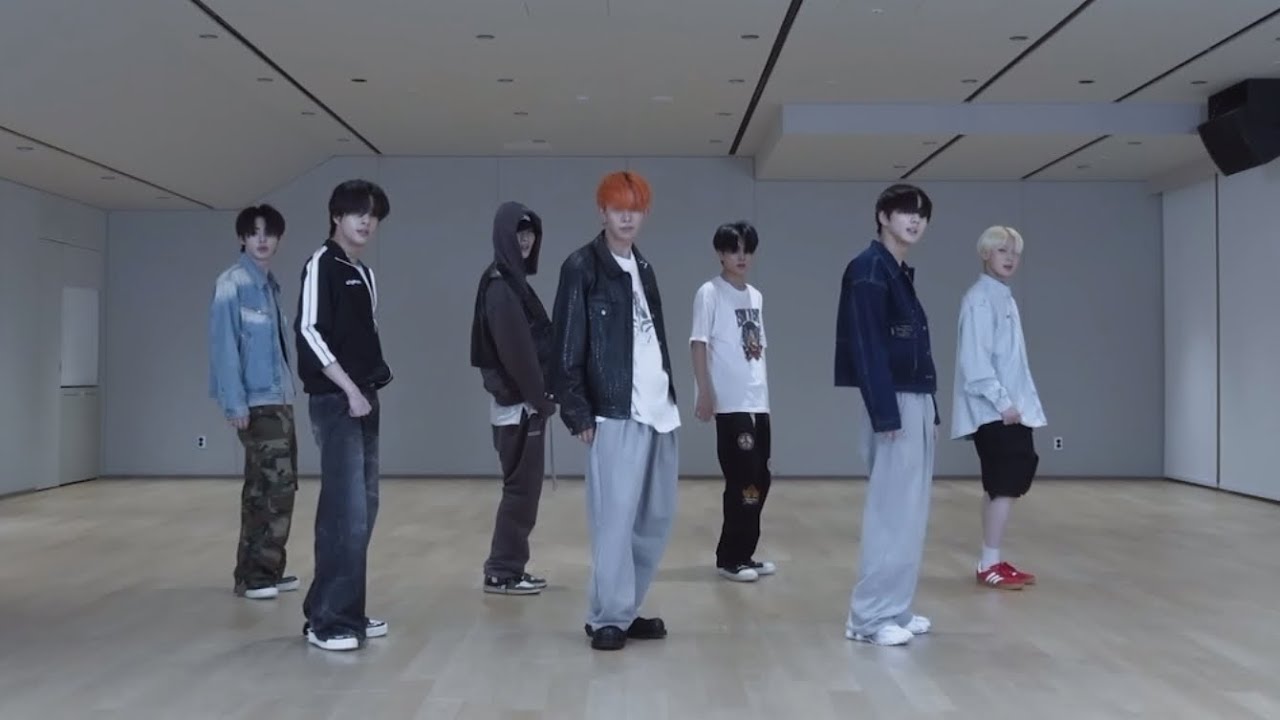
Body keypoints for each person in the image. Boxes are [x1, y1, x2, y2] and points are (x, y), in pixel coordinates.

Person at [552, 170, 681, 651]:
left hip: (660, 411)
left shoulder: (643, 267)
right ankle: (606, 615)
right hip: (614, 411)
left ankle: (624, 610)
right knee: (615, 520)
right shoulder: (581, 267)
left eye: (635, 209)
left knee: (653, 520)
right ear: (602, 211)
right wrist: (577, 411)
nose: (627, 217)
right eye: (618, 208)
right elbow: (565, 344)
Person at [834, 183, 939, 647]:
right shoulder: (869, 269)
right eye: (905, 212)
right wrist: (886, 414)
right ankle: (869, 617)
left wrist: (929, 412)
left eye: (922, 215)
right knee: (891, 512)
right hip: (894, 401)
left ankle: (895, 607)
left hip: (913, 399)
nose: (915, 221)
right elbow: (868, 346)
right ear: (882, 216)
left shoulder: (894, 271)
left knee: (910, 512)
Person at [294, 179, 392, 652]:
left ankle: (338, 607)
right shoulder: (321, 264)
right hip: (336, 402)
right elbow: (309, 332)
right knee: (344, 510)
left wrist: (368, 386)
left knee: (364, 508)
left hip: (364, 398)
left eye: (372, 215)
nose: (366, 221)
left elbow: (364, 333)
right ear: (336, 216)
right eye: (357, 213)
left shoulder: (364, 273)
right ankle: (328, 622)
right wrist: (350, 390)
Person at [208, 204, 300, 601]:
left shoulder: (270, 285)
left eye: (269, 233)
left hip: (279, 398)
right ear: (242, 238)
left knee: (271, 487)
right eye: (254, 232)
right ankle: (256, 575)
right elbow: (223, 346)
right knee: (273, 488)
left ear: (278, 239)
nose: (262, 240)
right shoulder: (232, 284)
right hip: (256, 402)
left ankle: (263, 570)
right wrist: (235, 403)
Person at [951, 225, 1045, 591]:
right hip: (996, 411)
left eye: (1015, 252)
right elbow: (975, 362)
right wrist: (1004, 403)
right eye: (1002, 250)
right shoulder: (980, 299)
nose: (1010, 258)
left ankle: (991, 559)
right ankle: (988, 563)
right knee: (1004, 486)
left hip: (1008, 409)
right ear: (985, 253)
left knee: (1000, 486)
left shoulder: (1003, 297)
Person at [470, 201, 557, 596]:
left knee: (522, 491)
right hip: (519, 409)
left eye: (530, 232)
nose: (525, 240)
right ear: (503, 235)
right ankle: (502, 571)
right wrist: (541, 400)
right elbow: (517, 353)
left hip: (522, 406)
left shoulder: (510, 282)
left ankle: (508, 568)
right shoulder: (501, 287)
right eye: (518, 233)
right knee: (521, 492)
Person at [690, 220, 776, 583]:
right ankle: (730, 556)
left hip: (758, 400)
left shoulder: (755, 296)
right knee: (741, 478)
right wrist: (704, 391)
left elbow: (757, 350)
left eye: (747, 250)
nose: (741, 257)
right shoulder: (710, 293)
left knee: (760, 477)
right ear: (720, 254)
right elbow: (699, 344)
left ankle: (746, 552)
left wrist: (764, 397)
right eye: (733, 250)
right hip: (729, 401)